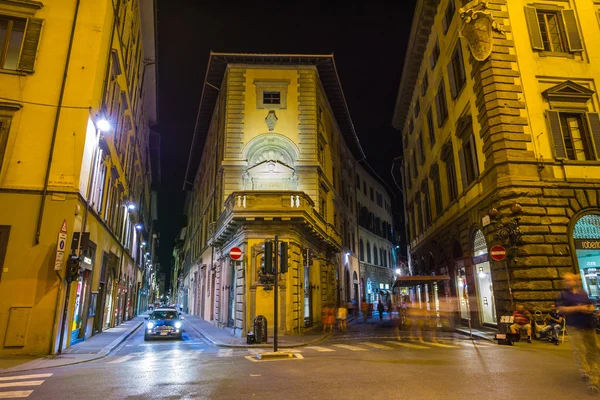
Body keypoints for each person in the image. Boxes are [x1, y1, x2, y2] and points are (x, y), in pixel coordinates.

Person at [557, 272, 599, 395]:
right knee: (580, 349)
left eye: (570, 280)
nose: (568, 282)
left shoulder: (583, 292)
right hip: (573, 326)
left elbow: (590, 305)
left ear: (576, 280)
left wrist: (590, 309)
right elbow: (561, 309)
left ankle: (592, 370)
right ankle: (585, 371)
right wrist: (578, 309)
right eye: (566, 280)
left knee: (593, 349)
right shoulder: (563, 295)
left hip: (588, 325)